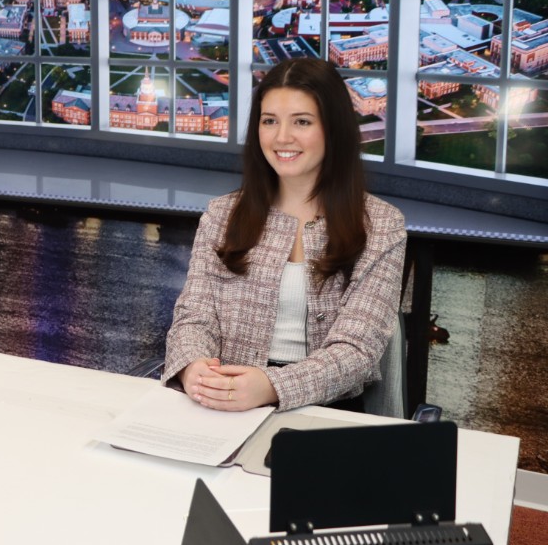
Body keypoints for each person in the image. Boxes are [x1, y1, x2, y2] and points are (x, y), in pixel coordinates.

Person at [162, 57, 406, 412]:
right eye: (269, 121)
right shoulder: (221, 215)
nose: (282, 137)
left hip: (324, 410)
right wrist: (194, 369)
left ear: (333, 129)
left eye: (302, 122)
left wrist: (270, 387)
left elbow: (357, 351)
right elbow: (193, 317)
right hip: (220, 401)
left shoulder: (382, 225)